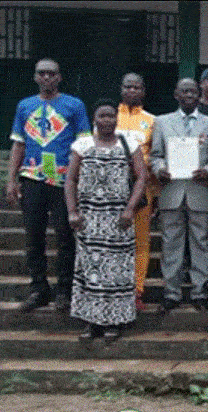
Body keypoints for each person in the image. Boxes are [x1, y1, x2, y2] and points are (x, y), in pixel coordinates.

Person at [5, 58, 91, 313]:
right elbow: (18, 144)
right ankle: (38, 288)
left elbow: (84, 144)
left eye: (51, 73)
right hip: (32, 179)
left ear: (59, 77)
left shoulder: (74, 105)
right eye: (41, 73)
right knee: (34, 237)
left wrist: (80, 180)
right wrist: (11, 180)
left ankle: (64, 290)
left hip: (64, 181)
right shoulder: (25, 106)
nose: (46, 78)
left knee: (66, 237)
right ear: (35, 77)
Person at [64, 99, 146, 343]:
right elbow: (70, 181)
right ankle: (92, 322)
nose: (107, 120)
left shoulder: (128, 143)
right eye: (102, 116)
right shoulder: (82, 145)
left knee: (117, 272)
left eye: (111, 116)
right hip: (89, 220)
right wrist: (72, 211)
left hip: (119, 219)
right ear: (94, 119)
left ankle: (115, 321)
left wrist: (130, 209)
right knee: (91, 271)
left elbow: (141, 178)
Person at [149, 78, 208, 313]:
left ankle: (200, 291)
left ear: (199, 95)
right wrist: (160, 169)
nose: (189, 95)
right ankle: (171, 292)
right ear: (176, 95)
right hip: (172, 190)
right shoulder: (162, 122)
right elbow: (155, 154)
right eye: (184, 91)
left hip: (200, 190)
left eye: (193, 91)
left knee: (201, 242)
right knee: (171, 243)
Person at [115, 73, 156, 311]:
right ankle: (116, 287)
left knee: (141, 242)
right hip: (112, 189)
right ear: (121, 89)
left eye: (137, 87)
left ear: (143, 91)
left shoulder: (151, 120)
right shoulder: (109, 116)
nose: (132, 90)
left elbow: (155, 154)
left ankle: (137, 289)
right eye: (128, 86)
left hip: (141, 190)